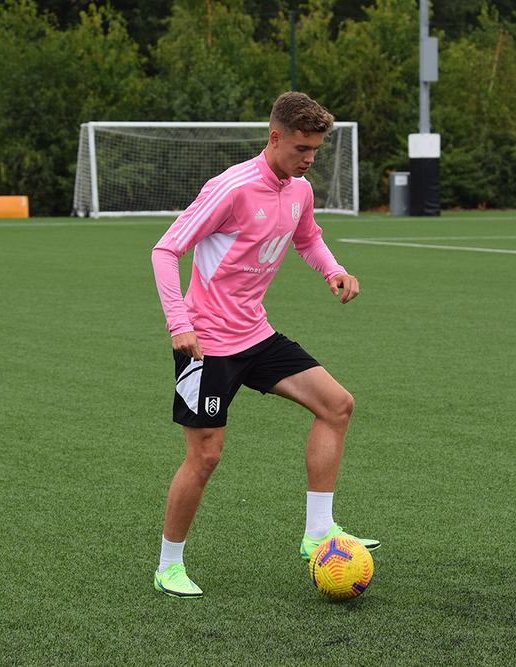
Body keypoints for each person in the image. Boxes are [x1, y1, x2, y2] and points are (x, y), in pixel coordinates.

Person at [151, 91, 378, 598]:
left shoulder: (298, 189)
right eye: (302, 148)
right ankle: (169, 565)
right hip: (204, 344)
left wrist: (334, 270)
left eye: (316, 149)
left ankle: (318, 533)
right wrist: (178, 324)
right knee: (206, 456)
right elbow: (165, 250)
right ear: (275, 137)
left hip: (256, 334)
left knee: (337, 405)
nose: (310, 158)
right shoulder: (231, 188)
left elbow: (307, 238)